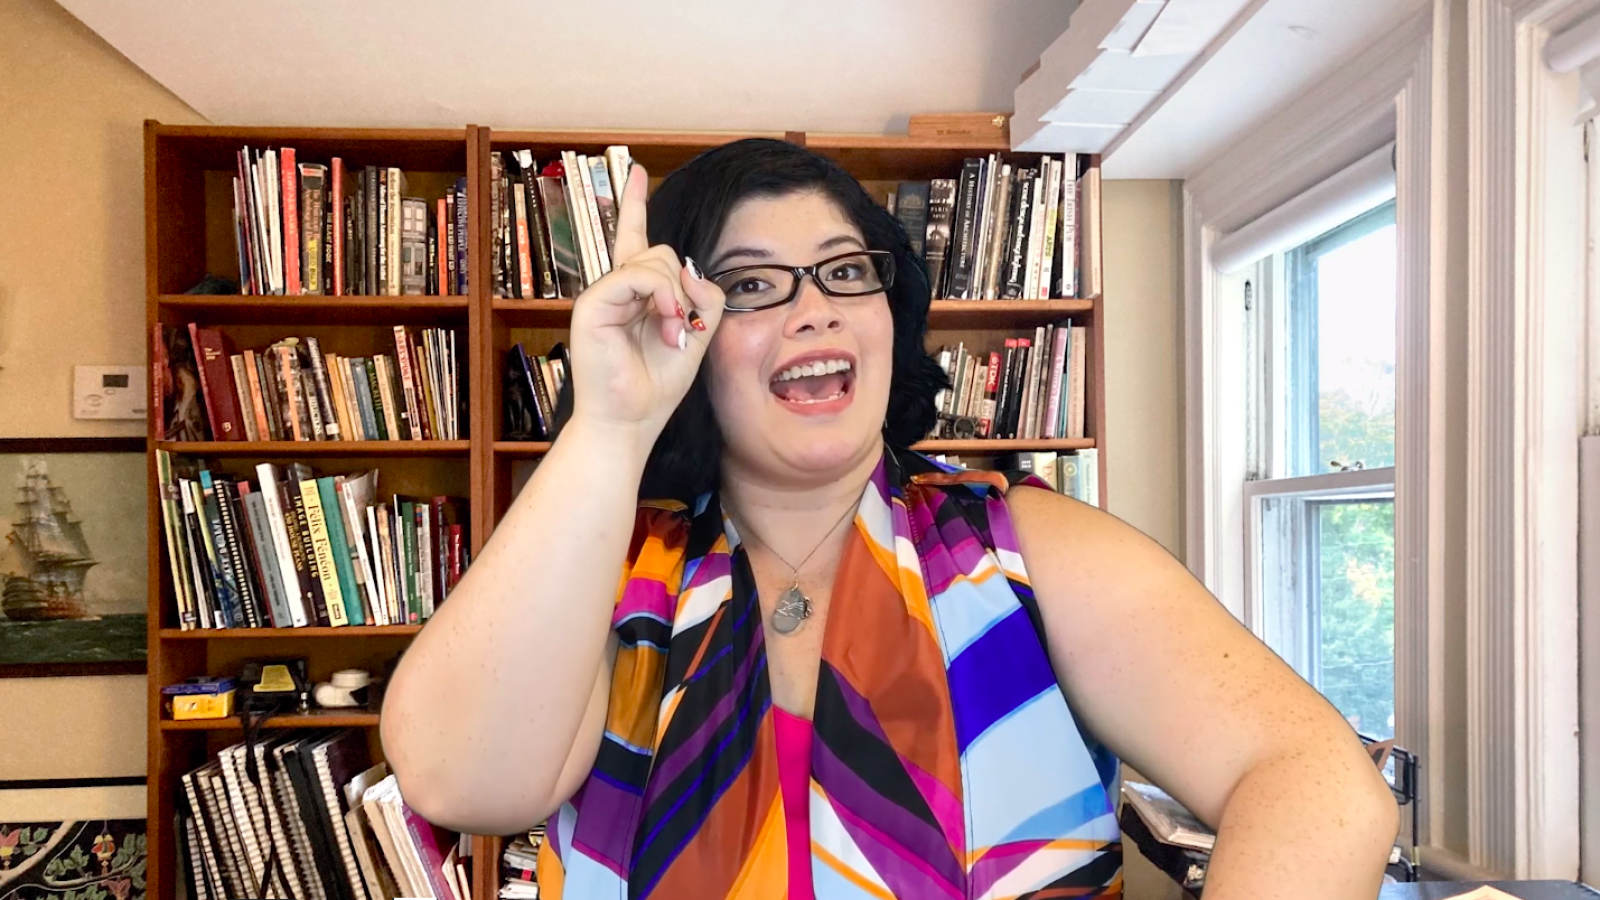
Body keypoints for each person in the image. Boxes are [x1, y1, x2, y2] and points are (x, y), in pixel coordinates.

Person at [382, 139, 1398, 900]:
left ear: (888, 305)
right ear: (679, 328)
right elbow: (463, 780)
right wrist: (611, 423)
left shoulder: (1027, 552)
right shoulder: (609, 563)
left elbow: (1312, 778)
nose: (813, 307)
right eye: (747, 286)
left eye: (844, 269)